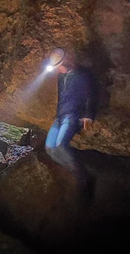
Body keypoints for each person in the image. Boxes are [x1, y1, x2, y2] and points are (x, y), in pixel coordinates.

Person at [44, 48, 96, 195]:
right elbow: (61, 96)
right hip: (61, 116)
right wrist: (57, 114)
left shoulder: (82, 74)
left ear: (66, 60)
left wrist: (88, 115)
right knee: (49, 149)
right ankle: (76, 171)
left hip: (73, 115)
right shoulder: (61, 77)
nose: (58, 69)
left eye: (59, 65)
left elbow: (91, 95)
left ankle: (84, 177)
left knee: (60, 146)